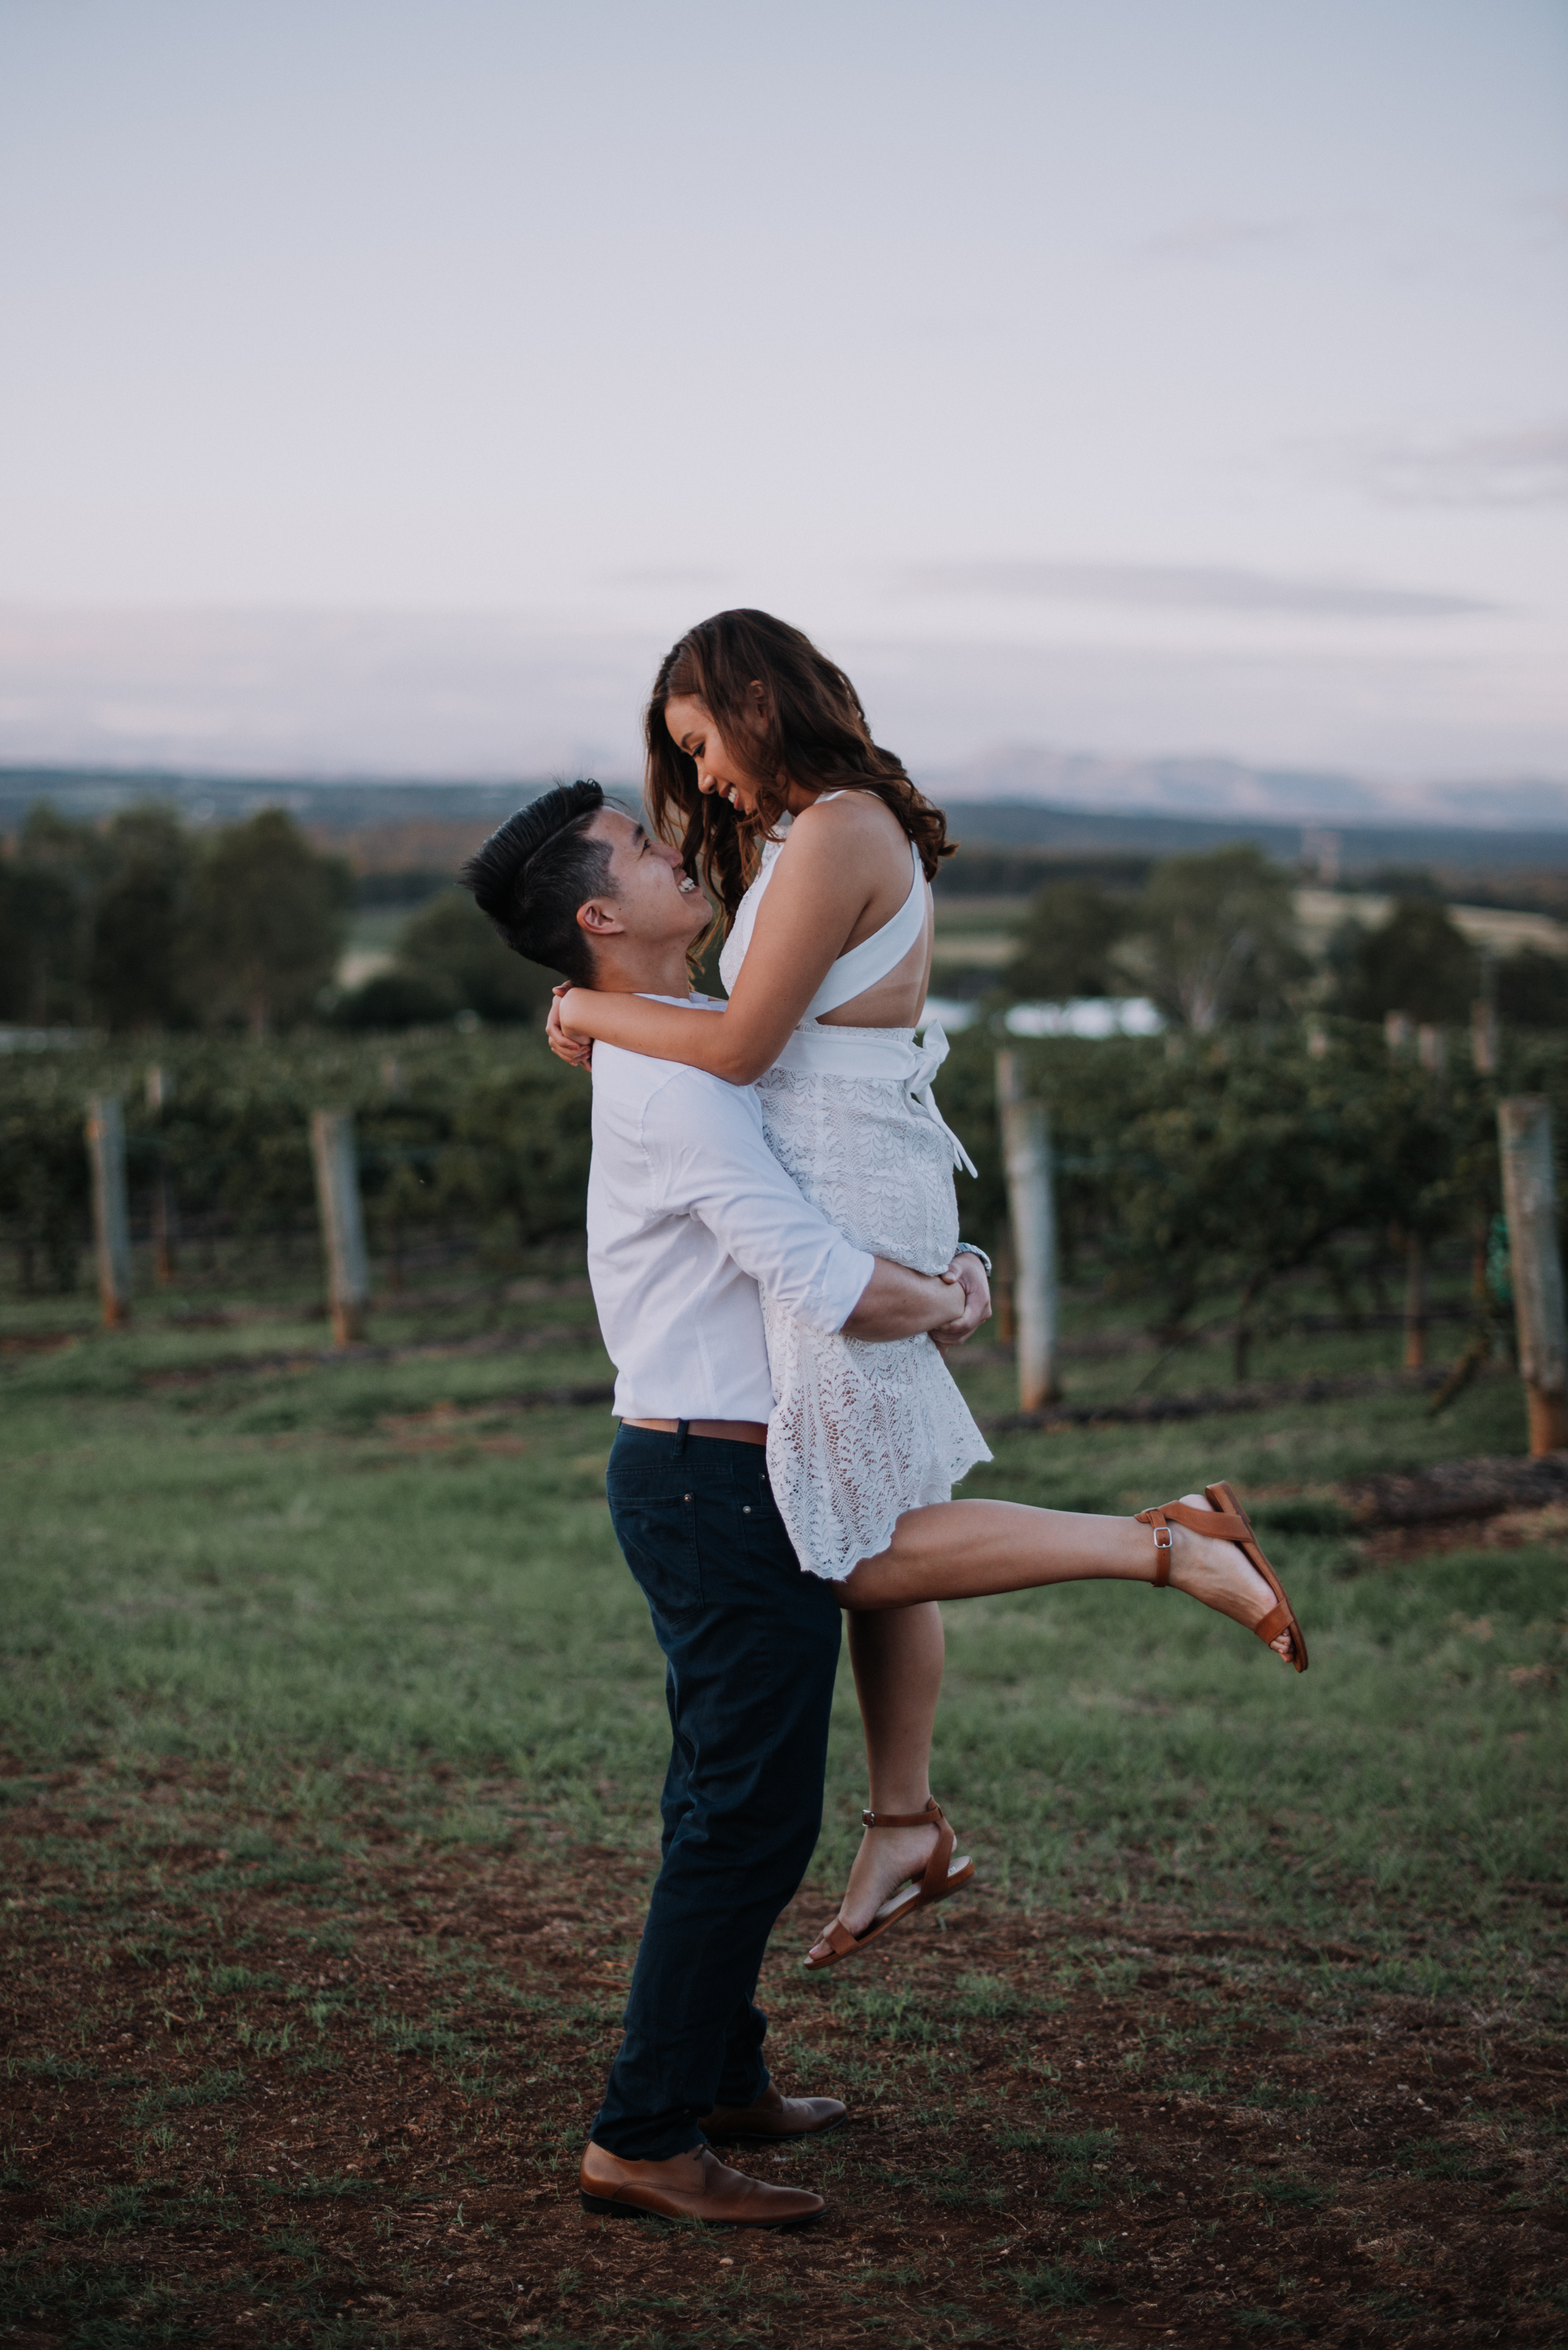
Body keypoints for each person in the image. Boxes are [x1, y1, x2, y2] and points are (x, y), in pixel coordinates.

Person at [462, 778, 1305, 2228]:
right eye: (651, 852)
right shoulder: (673, 1082)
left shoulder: (668, 1053)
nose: (682, 856)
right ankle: (643, 2135)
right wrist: (954, 1300)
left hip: (712, 1465)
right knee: (745, 1818)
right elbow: (820, 1277)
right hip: (710, 1476)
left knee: (716, 1801)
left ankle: (719, 2074)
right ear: (602, 917)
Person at [547, 611, 1304, 1972]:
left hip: (842, 1181)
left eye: (699, 743)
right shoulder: (805, 830)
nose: (700, 778)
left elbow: (733, 1045)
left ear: (756, 702)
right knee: (880, 1511)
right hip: (847, 1166)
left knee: (850, 1544)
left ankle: (1170, 1544)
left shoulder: (837, 829)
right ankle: (901, 1819)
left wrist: (587, 1005)